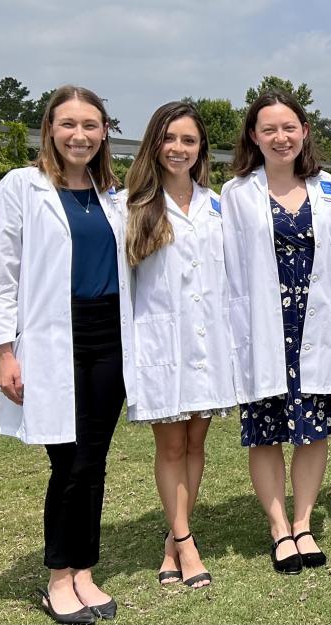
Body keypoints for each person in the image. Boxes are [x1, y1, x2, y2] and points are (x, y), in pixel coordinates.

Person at [0, 85, 134, 623]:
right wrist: (4, 352)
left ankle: (84, 571)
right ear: (50, 128)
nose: (80, 135)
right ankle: (58, 577)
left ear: (104, 131)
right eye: (69, 124)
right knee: (69, 462)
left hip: (108, 337)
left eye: (91, 125)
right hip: (49, 338)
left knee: (94, 461)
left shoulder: (112, 191)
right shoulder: (22, 187)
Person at [221, 90, 331, 574]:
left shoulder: (324, 188)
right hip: (262, 326)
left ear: (304, 132)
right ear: (254, 136)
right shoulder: (235, 194)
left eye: (289, 127)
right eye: (269, 129)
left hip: (309, 325)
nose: (281, 137)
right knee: (266, 431)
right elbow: (227, 267)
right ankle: (278, 529)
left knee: (313, 431)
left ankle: (304, 524)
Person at [124, 101, 235, 588]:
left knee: (196, 443)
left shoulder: (216, 204)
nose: (178, 149)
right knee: (171, 446)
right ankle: (187, 545)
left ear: (200, 149)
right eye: (170, 139)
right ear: (155, 144)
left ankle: (174, 537)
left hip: (209, 341)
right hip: (161, 344)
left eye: (188, 140)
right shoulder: (132, 206)